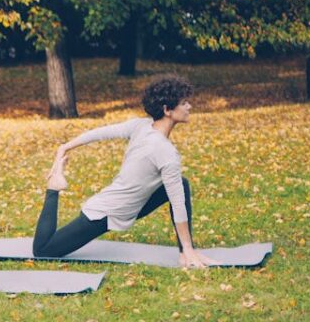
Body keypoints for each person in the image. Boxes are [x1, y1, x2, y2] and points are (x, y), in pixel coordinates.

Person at [31, 74, 214, 268]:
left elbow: (101, 132)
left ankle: (185, 251)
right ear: (167, 110)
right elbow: (178, 205)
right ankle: (53, 187)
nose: (189, 107)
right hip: (107, 211)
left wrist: (66, 146)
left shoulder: (141, 126)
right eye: (184, 103)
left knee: (181, 184)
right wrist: (65, 147)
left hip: (131, 205)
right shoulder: (165, 152)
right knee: (43, 250)